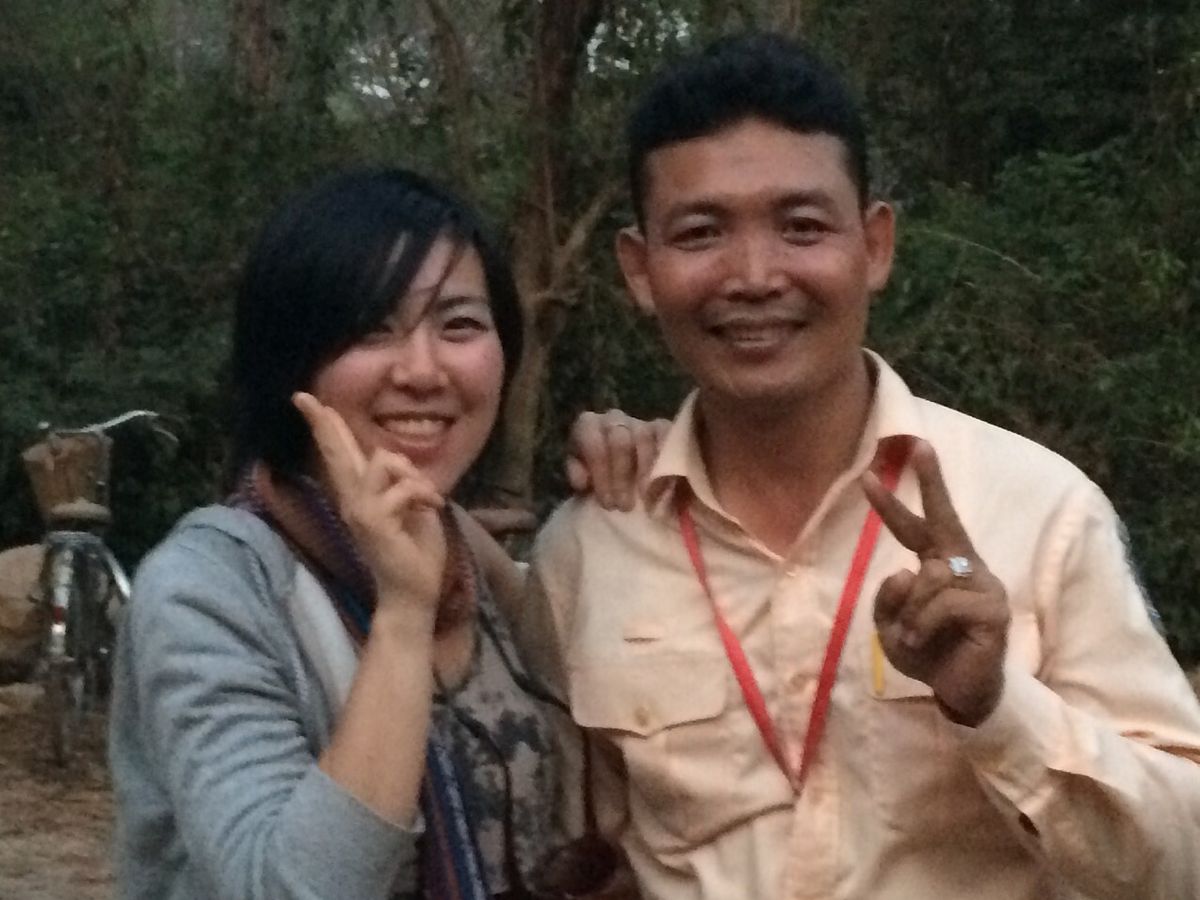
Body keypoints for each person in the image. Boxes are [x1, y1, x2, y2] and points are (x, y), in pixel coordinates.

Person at [520, 32, 1200, 900]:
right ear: (639, 269)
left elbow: (1186, 859)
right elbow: (579, 850)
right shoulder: (587, 552)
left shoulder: (1038, 510)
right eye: (700, 233)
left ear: (875, 245)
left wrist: (996, 706)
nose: (754, 275)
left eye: (802, 227)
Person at [109, 168, 651, 900]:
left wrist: (644, 457)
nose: (423, 371)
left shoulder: (466, 551)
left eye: (459, 325)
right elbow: (286, 889)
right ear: (291, 360)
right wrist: (401, 614)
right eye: (371, 329)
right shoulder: (207, 591)